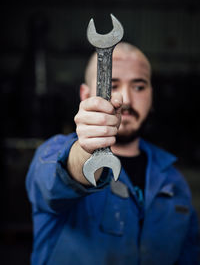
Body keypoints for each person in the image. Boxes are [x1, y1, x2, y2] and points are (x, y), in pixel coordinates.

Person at [26, 42, 199, 265]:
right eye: (113, 85)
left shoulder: (175, 182)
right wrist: (86, 151)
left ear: (151, 95)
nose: (125, 99)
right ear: (85, 94)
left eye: (139, 87)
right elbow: (55, 181)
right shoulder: (51, 154)